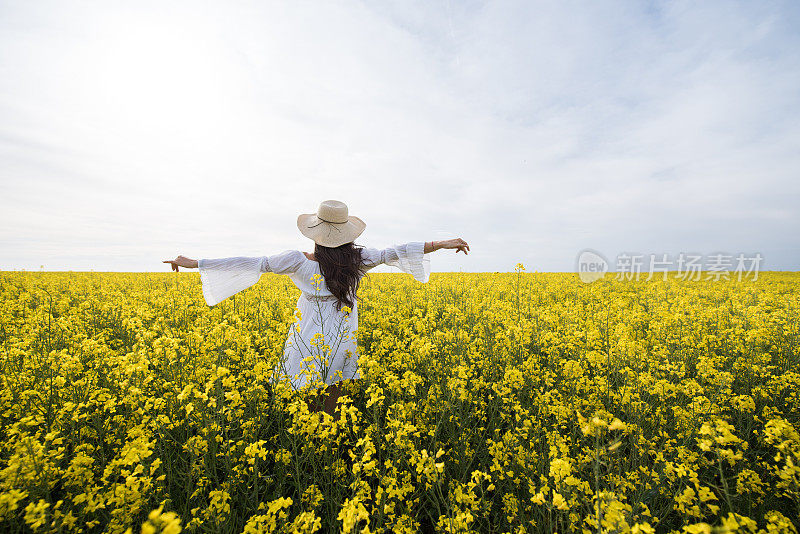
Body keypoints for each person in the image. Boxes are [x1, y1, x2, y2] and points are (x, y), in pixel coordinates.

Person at [163, 200, 469, 415]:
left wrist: (195, 263)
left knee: (306, 383)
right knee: (333, 384)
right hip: (342, 331)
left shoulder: (296, 260)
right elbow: (396, 251)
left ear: (316, 233)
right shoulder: (358, 260)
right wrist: (441, 243)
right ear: (347, 234)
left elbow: (251, 262)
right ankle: (328, 431)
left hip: (307, 329)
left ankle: (310, 430)